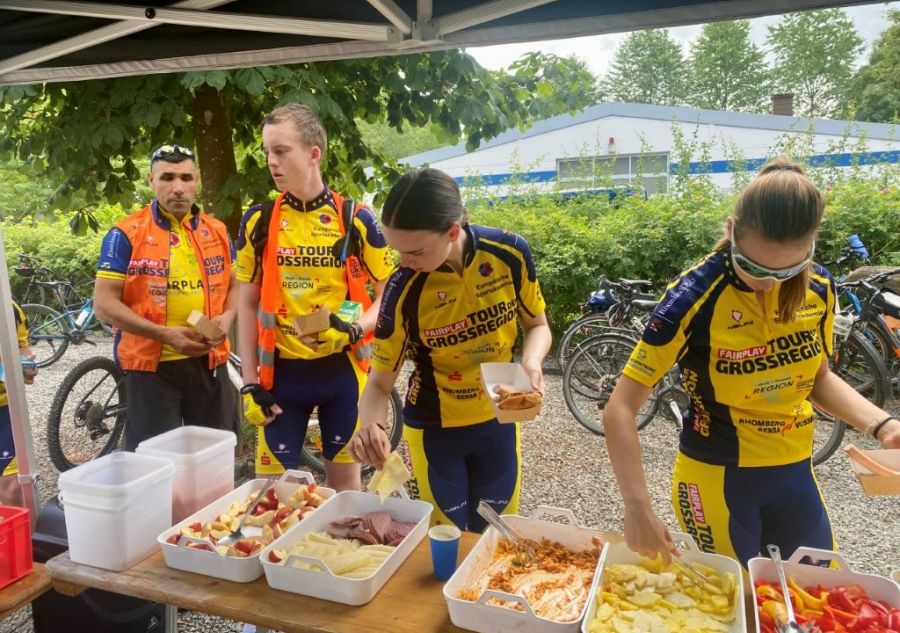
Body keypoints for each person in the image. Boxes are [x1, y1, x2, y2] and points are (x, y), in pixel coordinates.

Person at [603, 156, 900, 569]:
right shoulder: (692, 296)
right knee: (735, 600)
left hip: (794, 468)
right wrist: (637, 507)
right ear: (730, 231)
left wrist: (883, 425)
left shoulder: (819, 287)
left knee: (817, 594)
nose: (768, 284)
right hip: (717, 473)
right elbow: (620, 408)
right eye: (753, 267)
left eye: (788, 270)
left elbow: (818, 378)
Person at [347, 168, 552, 531]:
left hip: (501, 417)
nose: (404, 262)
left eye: (415, 251)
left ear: (453, 231)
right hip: (435, 429)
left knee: (497, 540)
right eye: (397, 251)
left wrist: (532, 362)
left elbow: (537, 325)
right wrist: (371, 426)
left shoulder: (509, 253)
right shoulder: (402, 287)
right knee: (443, 546)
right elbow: (378, 384)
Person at [235, 103, 394, 492]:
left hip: (343, 371)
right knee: (272, 493)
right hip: (280, 376)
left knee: (346, 490)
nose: (271, 162)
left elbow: (389, 292)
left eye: (281, 151)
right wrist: (249, 382)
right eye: (267, 152)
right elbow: (247, 303)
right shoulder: (258, 220)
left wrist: (355, 328)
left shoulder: (355, 218)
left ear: (313, 153)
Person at [94, 143, 239, 450]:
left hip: (209, 362)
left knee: (214, 454)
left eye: (186, 178)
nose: (178, 188)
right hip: (151, 370)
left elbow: (236, 284)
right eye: (167, 177)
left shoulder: (217, 230)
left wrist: (227, 316)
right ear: (151, 180)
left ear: (197, 180)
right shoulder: (125, 233)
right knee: (156, 461)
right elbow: (104, 305)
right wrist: (164, 334)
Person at [0, 301, 37, 506]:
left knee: (12, 487)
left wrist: (26, 365)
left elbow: (21, 348)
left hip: (6, 408)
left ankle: (17, 525)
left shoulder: (8, 306)